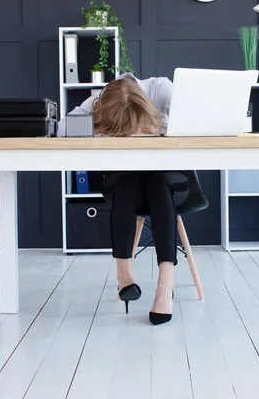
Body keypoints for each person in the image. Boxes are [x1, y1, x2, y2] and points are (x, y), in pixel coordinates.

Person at [60, 74, 190, 326]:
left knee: (160, 185)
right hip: (125, 184)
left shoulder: (162, 91)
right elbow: (63, 128)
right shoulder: (102, 99)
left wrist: (159, 128)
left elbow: (194, 126)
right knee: (127, 184)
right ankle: (124, 275)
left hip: (169, 181)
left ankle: (166, 285)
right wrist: (100, 125)